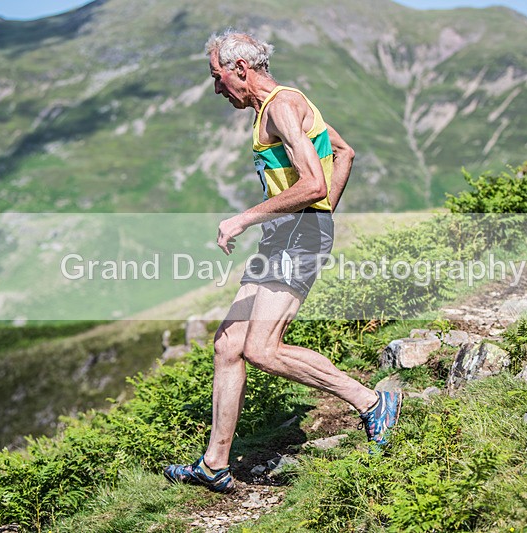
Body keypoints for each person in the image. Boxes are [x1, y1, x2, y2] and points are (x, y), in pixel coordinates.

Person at [164, 31, 401, 493]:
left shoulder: (282, 106)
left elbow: (313, 183)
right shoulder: (276, 108)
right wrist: (320, 215)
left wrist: (248, 218)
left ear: (240, 69)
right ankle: (214, 465)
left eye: (216, 77)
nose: (216, 88)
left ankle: (373, 404)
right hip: (285, 235)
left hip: (297, 237)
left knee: (262, 349)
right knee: (228, 343)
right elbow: (344, 152)